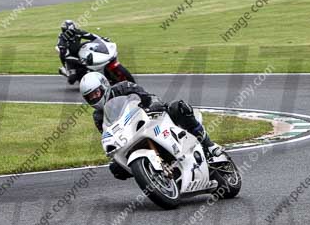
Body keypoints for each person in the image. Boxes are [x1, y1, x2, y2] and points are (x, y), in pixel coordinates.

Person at [80, 72, 225, 180]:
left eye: (96, 93)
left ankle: (210, 146)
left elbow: (146, 96)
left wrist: (152, 105)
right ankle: (152, 174)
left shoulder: (123, 87)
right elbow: (107, 132)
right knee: (116, 169)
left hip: (152, 117)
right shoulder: (98, 116)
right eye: (90, 97)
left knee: (179, 108)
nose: (94, 98)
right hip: (132, 136)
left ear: (104, 85)